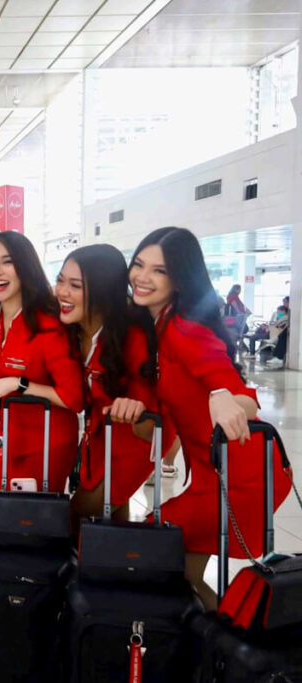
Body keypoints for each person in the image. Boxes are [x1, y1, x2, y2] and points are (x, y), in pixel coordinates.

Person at [129, 226, 291, 610]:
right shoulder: (158, 326)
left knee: (151, 545)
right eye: (138, 265)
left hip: (238, 479)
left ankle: (236, 646)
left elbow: (243, 397)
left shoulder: (183, 330)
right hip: (210, 476)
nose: (142, 277)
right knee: (179, 572)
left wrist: (222, 397)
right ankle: (231, 648)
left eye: (159, 271)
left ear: (180, 278)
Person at [0, 231, 84, 533]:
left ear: (25, 267)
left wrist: (17, 384)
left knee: (30, 531)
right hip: (4, 438)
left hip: (45, 441)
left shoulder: (49, 325)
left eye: (7, 262)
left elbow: (74, 398)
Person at [55, 244, 176, 528]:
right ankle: (112, 571)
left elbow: (153, 417)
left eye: (75, 285)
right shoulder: (70, 329)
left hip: (132, 444)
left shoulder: (132, 337)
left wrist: (137, 407)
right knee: (110, 523)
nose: (62, 291)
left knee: (75, 517)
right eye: (60, 280)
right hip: (98, 440)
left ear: (103, 292)